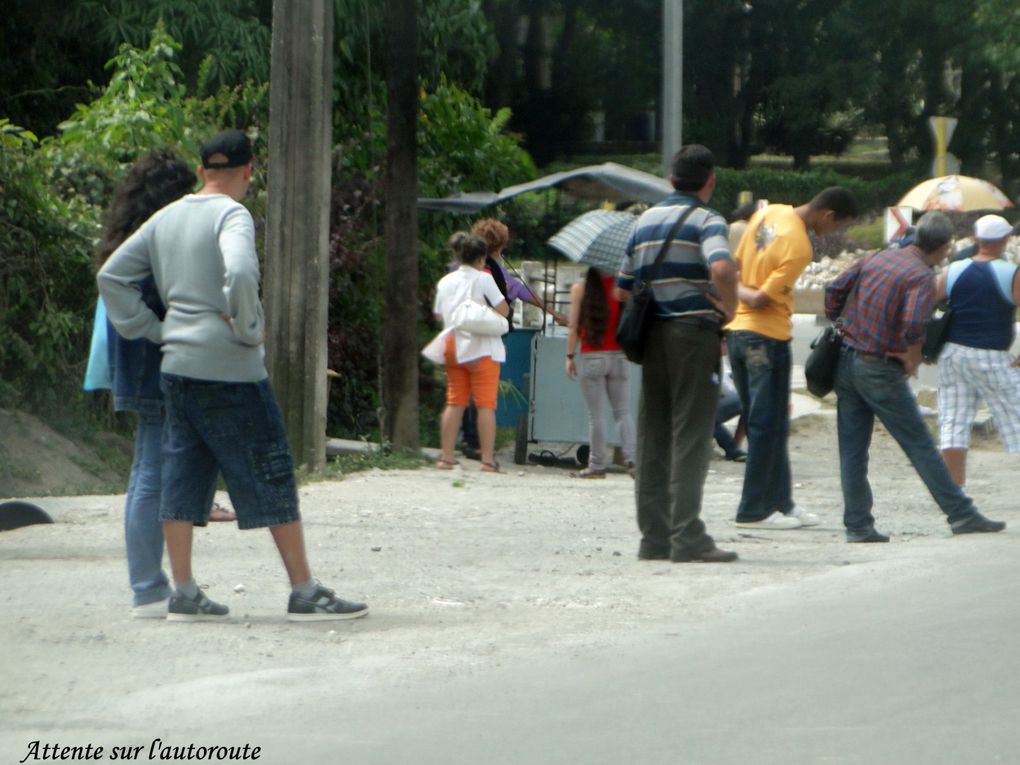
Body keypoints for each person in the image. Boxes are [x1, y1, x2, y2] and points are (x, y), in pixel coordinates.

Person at [98, 130, 368, 622]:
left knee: (181, 471)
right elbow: (241, 271)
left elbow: (111, 277)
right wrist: (248, 327)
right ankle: (304, 590)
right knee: (271, 467)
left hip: (176, 366)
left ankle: (182, 591)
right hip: (230, 368)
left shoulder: (166, 217)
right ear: (248, 172)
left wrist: (155, 329)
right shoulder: (232, 214)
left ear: (203, 171)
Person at [825, 211, 1006, 542]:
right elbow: (912, 325)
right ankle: (961, 514)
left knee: (852, 449)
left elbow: (835, 289)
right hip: (879, 368)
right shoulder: (920, 276)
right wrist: (911, 354)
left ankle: (858, 524)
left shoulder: (879, 257)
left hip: (847, 361)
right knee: (919, 443)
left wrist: (843, 324)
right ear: (945, 247)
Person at [614, 144, 739, 563]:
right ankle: (688, 537)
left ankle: (654, 537)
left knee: (653, 434)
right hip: (693, 335)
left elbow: (622, 287)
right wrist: (732, 306)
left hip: (652, 336)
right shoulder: (708, 219)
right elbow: (721, 267)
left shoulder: (644, 221)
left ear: (671, 178)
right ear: (710, 180)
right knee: (691, 435)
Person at [91, 152, 201, 618]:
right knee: (154, 470)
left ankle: (148, 586)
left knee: (145, 468)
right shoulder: (160, 238)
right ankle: (149, 589)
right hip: (153, 358)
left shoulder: (124, 237)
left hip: (129, 359)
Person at [727, 187, 858, 530]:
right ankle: (753, 509)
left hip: (738, 334)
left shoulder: (767, 213)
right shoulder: (799, 245)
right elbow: (758, 300)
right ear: (828, 215)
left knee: (772, 423)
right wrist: (746, 295)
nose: (835, 233)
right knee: (765, 425)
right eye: (839, 226)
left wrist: (731, 291)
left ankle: (782, 503)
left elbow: (735, 269)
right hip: (766, 338)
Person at [457, 218, 565, 459]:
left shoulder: (465, 267)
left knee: (464, 386)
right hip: (484, 334)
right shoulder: (495, 273)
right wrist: (555, 313)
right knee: (480, 387)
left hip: (462, 332)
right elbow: (520, 293)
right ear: (498, 247)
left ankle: (466, 437)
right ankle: (475, 442)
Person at [936, 214, 1020, 488]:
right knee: (1015, 416)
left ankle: (955, 491)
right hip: (993, 355)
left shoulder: (953, 270)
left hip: (954, 353)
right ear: (1005, 240)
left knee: (953, 421)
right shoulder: (1011, 273)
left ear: (976, 239)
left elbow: (928, 301)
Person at [432, 231, 510, 473]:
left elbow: (438, 314)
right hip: (480, 347)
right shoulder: (484, 278)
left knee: (455, 401)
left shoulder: (445, 281)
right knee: (485, 404)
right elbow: (504, 309)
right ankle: (487, 459)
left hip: (452, 345)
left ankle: (446, 457)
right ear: (481, 259)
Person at [564, 266, 636, 479]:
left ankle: (596, 465)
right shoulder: (622, 287)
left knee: (596, 416)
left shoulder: (580, 288)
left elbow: (573, 326)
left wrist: (569, 356)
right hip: (620, 356)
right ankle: (631, 460)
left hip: (592, 355)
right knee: (623, 412)